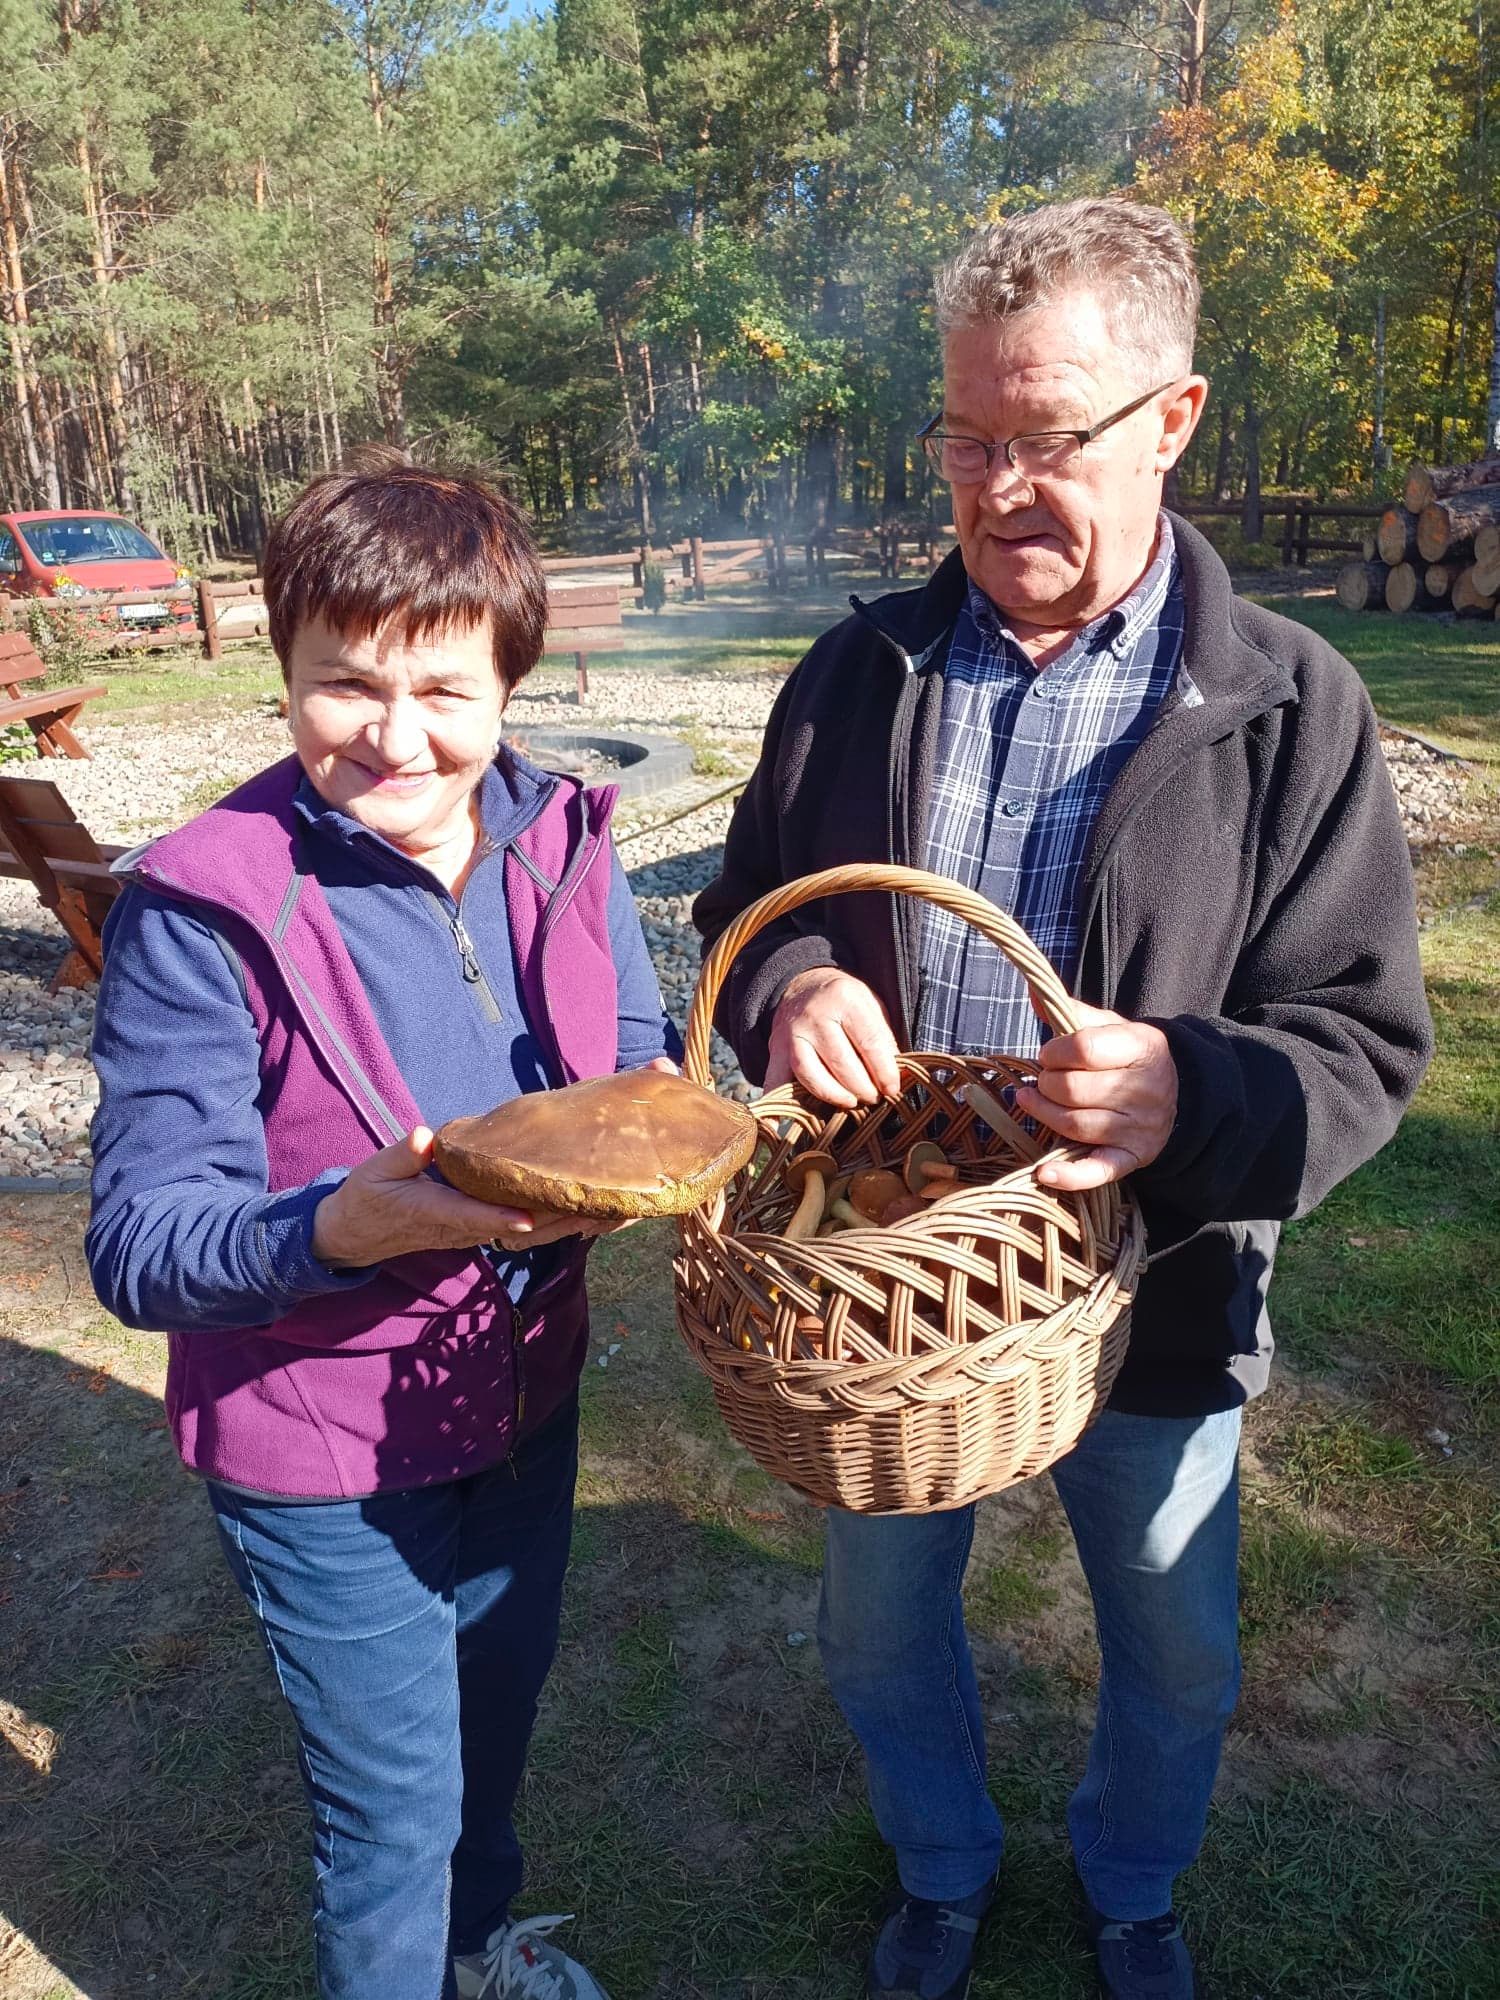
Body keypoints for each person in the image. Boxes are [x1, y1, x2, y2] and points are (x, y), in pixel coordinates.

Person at [693, 198, 1432, 2000]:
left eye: (1047, 439)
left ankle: (1133, 1884)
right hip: (890, 1311)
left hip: (1158, 1303)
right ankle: (943, 1867)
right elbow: (743, 909)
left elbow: (1363, 1039)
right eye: (967, 440)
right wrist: (796, 983)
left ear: (1168, 420)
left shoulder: (1284, 708)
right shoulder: (860, 671)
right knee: (877, 1634)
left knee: (1177, 1652)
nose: (1000, 487)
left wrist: (1196, 1092)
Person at [86, 454, 679, 2000]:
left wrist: (654, 1135)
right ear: (280, 666)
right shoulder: (206, 903)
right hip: (321, 1445)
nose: (395, 738)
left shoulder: (562, 835)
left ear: (509, 682)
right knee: (392, 1822)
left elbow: (628, 1044)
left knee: (494, 1724)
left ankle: (480, 1957)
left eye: (443, 689)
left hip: (524, 1396)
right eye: (342, 686)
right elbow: (143, 1244)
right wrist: (341, 1228)